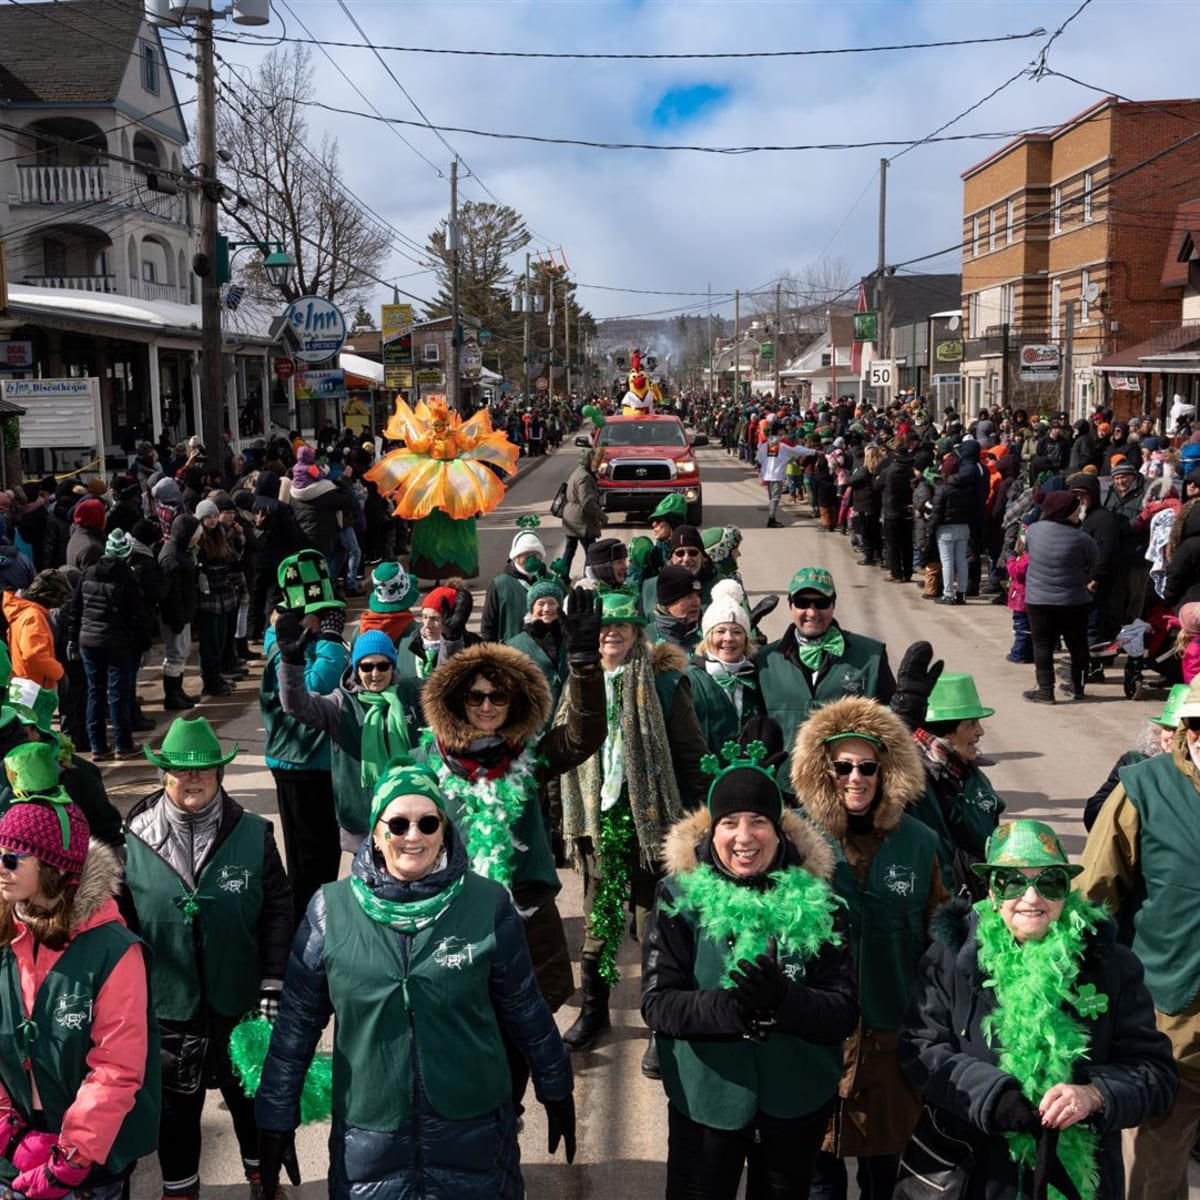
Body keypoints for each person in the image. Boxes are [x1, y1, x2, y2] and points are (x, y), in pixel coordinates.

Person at [253, 760, 576, 1199]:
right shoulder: (330, 910)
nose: (413, 836)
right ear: (376, 830)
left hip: (473, 1134)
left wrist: (556, 1086)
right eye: (399, 823)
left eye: (428, 823)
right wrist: (275, 1116)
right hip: (370, 1143)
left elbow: (525, 1008)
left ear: (444, 829)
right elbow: (295, 1025)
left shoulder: (487, 904)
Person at [901, 819, 1178, 1200]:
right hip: (974, 1175)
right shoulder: (950, 956)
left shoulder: (1112, 965)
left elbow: (1157, 1074)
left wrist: (1095, 1095)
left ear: (1066, 890)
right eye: (1012, 881)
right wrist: (990, 1094)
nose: (1031, 897)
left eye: (1049, 882)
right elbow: (919, 1047)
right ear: (993, 892)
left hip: (1077, 1178)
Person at [641, 745, 858, 1198]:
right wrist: (733, 1009)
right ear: (712, 830)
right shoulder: (677, 897)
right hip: (705, 1102)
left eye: (759, 821)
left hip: (796, 1102)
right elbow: (658, 1004)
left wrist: (783, 999)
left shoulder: (820, 900)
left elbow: (842, 1011)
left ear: (779, 831)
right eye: (729, 822)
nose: (745, 836)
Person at [417, 589, 605, 1080]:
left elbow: (585, 736)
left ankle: (509, 1118)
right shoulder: (427, 765)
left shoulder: (529, 755)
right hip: (451, 913)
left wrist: (584, 663)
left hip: (522, 912)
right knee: (461, 1034)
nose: (486, 706)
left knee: (524, 1030)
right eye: (475, 696)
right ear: (457, 701)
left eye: (498, 696)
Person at [124, 717, 292, 1200]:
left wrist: (274, 981)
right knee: (175, 1110)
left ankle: (264, 1177)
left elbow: (278, 909)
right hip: (167, 1004)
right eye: (180, 770)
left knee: (250, 1098)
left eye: (204, 770)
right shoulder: (132, 838)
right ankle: (180, 1191)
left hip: (239, 996)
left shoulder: (255, 833)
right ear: (163, 775)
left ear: (220, 774)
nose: (192, 779)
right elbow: (121, 927)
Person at [791, 697, 946, 1200]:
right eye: (841, 766)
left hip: (891, 1044)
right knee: (818, 1181)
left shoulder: (920, 842)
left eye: (867, 767)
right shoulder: (792, 839)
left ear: (887, 771)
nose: (854, 778)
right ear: (822, 770)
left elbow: (939, 934)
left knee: (889, 1177)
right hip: (816, 1042)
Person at [0, 743, 159, 1199]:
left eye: (14, 857)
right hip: (13, 1152)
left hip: (88, 1157)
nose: (2, 868)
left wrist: (70, 1158)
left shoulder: (113, 950)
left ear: (50, 867)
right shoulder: (2, 931)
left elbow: (117, 1066)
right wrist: (9, 1133)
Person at [558, 589, 709, 1057]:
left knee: (653, 926)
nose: (611, 633)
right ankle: (595, 1011)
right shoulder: (579, 681)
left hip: (652, 822)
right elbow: (562, 744)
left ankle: (659, 1022)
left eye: (621, 626)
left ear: (636, 631)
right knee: (599, 922)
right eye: (604, 626)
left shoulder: (664, 684)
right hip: (596, 823)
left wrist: (700, 820)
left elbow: (689, 754)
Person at [1078, 677, 1200, 1198]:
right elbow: (1092, 897)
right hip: (1171, 1010)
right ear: (1190, 730)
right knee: (1156, 1159)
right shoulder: (1142, 789)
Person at [278, 600, 422, 851]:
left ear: (393, 665)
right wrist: (291, 662)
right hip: (362, 820)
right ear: (356, 668)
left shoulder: (413, 693)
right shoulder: (340, 703)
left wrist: (450, 640)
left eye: (382, 665)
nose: (375, 674)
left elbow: (453, 689)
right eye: (367, 666)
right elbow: (296, 705)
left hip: (413, 815)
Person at [260, 554, 349, 927]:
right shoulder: (281, 644)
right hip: (298, 764)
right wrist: (329, 642)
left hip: (321, 762)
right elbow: (312, 688)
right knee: (308, 862)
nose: (325, 617)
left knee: (325, 855)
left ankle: (318, 922)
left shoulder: (307, 638)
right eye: (320, 611)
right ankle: (302, 932)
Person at [909, 672, 1005, 899]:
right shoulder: (913, 782)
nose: (980, 731)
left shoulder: (966, 769)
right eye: (971, 723)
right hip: (938, 901)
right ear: (944, 727)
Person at [65, 529, 150, 762]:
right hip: (117, 644)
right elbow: (137, 614)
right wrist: (143, 644)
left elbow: (76, 608)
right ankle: (123, 743)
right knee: (118, 694)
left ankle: (98, 746)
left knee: (95, 692)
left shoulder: (88, 573)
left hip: (88, 641)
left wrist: (73, 638)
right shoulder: (126, 577)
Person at [1023, 490, 1098, 704]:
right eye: (1077, 509)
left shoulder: (1034, 531)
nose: (1080, 512)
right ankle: (1079, 688)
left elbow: (1028, 549)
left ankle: (1046, 691)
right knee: (1077, 645)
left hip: (1038, 600)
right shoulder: (1082, 538)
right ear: (1067, 512)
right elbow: (1094, 559)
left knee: (1042, 645)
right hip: (1074, 600)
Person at [1082, 682, 1187, 831]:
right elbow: (1094, 812)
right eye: (1168, 728)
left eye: (1179, 730)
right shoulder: (1133, 763)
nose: (1170, 736)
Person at [686, 579, 763, 753]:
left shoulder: (757, 678)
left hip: (749, 774)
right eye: (720, 631)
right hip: (705, 775)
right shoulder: (690, 679)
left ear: (746, 639)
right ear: (707, 637)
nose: (728, 638)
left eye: (737, 632)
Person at [194, 498, 241, 698]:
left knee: (221, 638)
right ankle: (210, 679)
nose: (213, 521)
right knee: (209, 642)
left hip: (225, 595)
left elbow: (232, 560)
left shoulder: (222, 536)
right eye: (208, 517)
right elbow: (202, 568)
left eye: (214, 516)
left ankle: (218, 675)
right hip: (209, 597)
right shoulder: (198, 541)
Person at [159, 514, 201, 712]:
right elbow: (172, 593)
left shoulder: (179, 551)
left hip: (183, 612)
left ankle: (178, 691)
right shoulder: (172, 556)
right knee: (175, 654)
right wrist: (177, 617)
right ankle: (172, 695)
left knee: (181, 653)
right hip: (175, 615)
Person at [480, 524, 548, 642]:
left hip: (546, 654)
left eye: (535, 554)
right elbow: (488, 625)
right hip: (510, 653)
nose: (531, 557)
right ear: (516, 556)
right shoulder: (499, 585)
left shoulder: (551, 582)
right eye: (526, 553)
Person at [560, 446, 606, 574]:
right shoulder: (585, 477)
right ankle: (588, 578)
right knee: (591, 552)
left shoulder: (577, 472)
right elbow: (586, 502)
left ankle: (563, 576)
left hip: (570, 517)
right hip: (581, 521)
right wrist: (602, 516)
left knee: (569, 549)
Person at [653, 565, 703, 651]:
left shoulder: (707, 634)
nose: (697, 603)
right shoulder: (646, 638)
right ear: (668, 602)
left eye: (698, 595)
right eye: (689, 596)